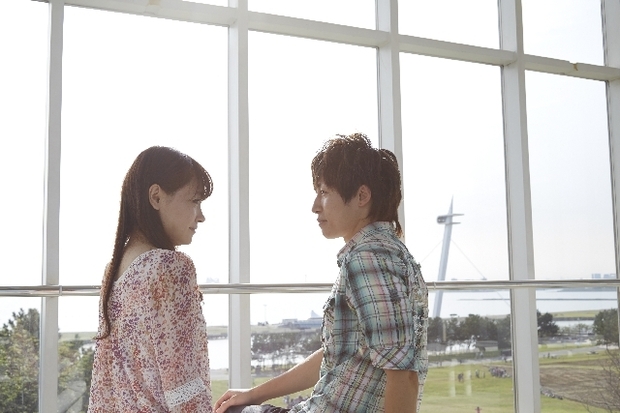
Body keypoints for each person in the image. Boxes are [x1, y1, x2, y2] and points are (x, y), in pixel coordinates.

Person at [215, 133, 428, 413]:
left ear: (362, 196)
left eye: (325, 192)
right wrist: (253, 394)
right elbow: (336, 357)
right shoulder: (393, 254)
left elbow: (403, 375)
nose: (315, 206)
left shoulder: (368, 259)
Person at [88, 146, 215, 412]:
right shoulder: (169, 267)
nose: (201, 216)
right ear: (156, 197)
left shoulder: (113, 271)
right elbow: (183, 388)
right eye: (194, 201)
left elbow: (103, 388)